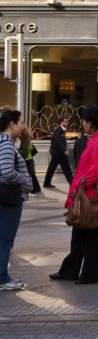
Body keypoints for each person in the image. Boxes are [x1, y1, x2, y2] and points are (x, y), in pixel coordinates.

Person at [49, 106, 98, 285]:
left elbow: (95, 170)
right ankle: (70, 271)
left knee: (89, 235)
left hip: (90, 194)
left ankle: (92, 274)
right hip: (87, 192)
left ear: (90, 123)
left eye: (84, 121)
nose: (82, 124)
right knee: (79, 234)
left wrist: (81, 185)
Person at [0, 109, 32, 291]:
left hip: (5, 195)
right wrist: (24, 179)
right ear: (11, 125)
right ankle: (3, 278)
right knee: (5, 238)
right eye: (21, 123)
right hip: (9, 196)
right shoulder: (5, 144)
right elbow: (6, 171)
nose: (23, 127)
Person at [43, 116, 74, 188]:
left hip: (57, 152)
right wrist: (64, 150)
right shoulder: (59, 130)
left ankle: (46, 183)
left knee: (51, 168)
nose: (67, 123)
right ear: (61, 122)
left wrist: (78, 134)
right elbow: (59, 141)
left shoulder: (62, 130)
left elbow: (65, 137)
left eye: (67, 121)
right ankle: (73, 185)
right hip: (58, 153)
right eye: (65, 121)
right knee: (67, 169)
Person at [17, 128, 40, 194]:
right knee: (32, 174)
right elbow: (32, 149)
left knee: (30, 175)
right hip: (30, 159)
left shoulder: (24, 141)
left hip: (27, 160)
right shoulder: (27, 140)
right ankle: (36, 188)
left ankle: (34, 189)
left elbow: (25, 152)